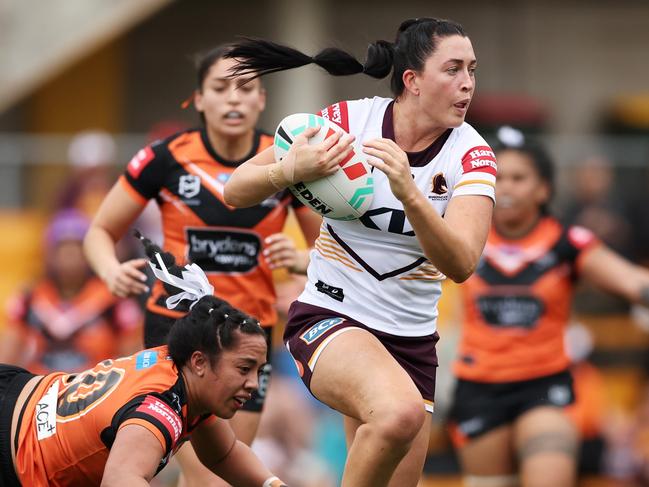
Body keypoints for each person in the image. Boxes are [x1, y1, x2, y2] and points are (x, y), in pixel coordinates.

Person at [223, 18, 496, 487]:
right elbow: (235, 189)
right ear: (411, 80)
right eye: (452, 69)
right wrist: (290, 168)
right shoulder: (350, 122)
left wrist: (410, 193)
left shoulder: (472, 155)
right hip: (331, 316)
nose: (467, 83)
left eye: (471, 69)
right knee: (399, 414)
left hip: (412, 342)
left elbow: (462, 263)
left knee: (396, 433)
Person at [83, 44, 320, 485]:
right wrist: (110, 271)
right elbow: (99, 232)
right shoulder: (165, 158)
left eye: (246, 87)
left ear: (262, 99)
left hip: (250, 337)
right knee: (209, 477)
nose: (234, 98)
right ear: (199, 99)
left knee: (227, 471)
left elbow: (327, 248)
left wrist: (303, 262)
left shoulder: (288, 159)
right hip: (176, 328)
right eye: (221, 87)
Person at [447, 126, 649, 487]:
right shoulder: (459, 234)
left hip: (544, 384)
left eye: (518, 178)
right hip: (478, 387)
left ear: (543, 188)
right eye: (497, 177)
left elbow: (634, 283)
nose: (505, 187)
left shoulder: (568, 242)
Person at [0, 287, 286, 486]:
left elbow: (224, 454)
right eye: (244, 369)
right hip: (12, 447)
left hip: (17, 396)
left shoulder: (182, 371)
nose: (253, 384)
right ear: (199, 362)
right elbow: (120, 481)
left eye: (259, 371)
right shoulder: (159, 410)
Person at [0, 209, 142, 374]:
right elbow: (8, 354)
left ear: (89, 253)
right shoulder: (28, 298)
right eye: (61, 248)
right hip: (39, 389)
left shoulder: (113, 298)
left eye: (76, 248)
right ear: (49, 254)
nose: (69, 256)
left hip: (97, 389)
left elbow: (132, 354)